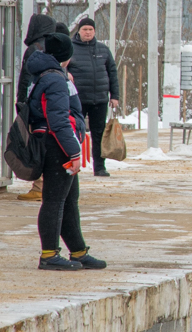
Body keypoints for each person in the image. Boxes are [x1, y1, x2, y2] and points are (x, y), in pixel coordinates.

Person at [26, 33, 106, 271]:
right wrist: (74, 153)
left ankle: (78, 251)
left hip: (57, 143)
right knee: (54, 201)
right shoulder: (56, 80)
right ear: (66, 56)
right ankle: (49, 255)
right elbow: (59, 120)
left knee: (69, 200)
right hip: (57, 146)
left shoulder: (49, 75)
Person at [67, 18, 120, 177]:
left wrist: (115, 95)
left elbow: (112, 73)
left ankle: (100, 167)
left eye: (90, 29)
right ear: (79, 31)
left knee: (99, 134)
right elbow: (61, 67)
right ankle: (71, 164)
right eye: (85, 29)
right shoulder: (70, 49)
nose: (88, 32)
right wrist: (66, 74)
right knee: (74, 133)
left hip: (100, 100)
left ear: (94, 31)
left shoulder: (103, 49)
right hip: (78, 99)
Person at [16, 14, 58, 201]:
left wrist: (22, 102)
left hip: (36, 103)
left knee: (36, 143)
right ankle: (48, 184)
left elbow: (26, 78)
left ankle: (39, 186)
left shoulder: (34, 49)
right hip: (51, 103)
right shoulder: (54, 45)